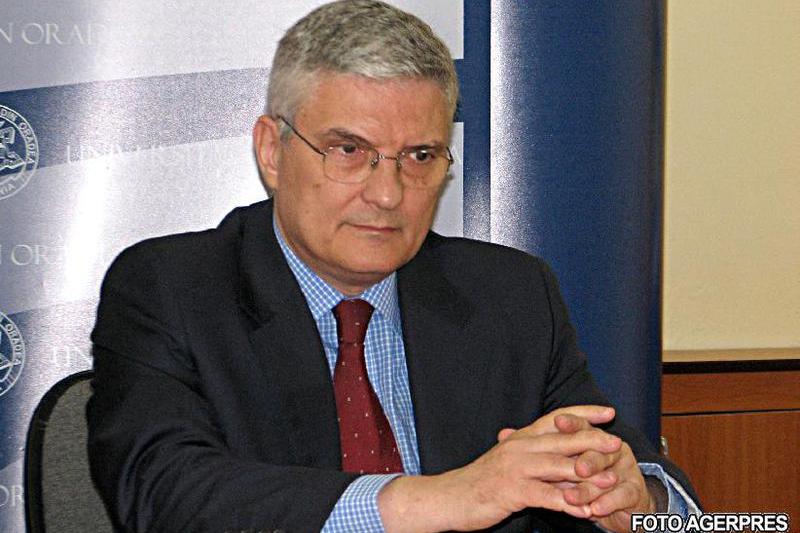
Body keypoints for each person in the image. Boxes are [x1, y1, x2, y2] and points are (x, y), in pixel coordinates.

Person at [87, 1, 699, 531]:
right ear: (273, 151)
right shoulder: (174, 287)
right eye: (349, 150)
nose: (388, 193)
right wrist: (442, 498)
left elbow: (648, 481)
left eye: (420, 155)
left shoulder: (510, 295)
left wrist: (640, 503)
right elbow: (163, 493)